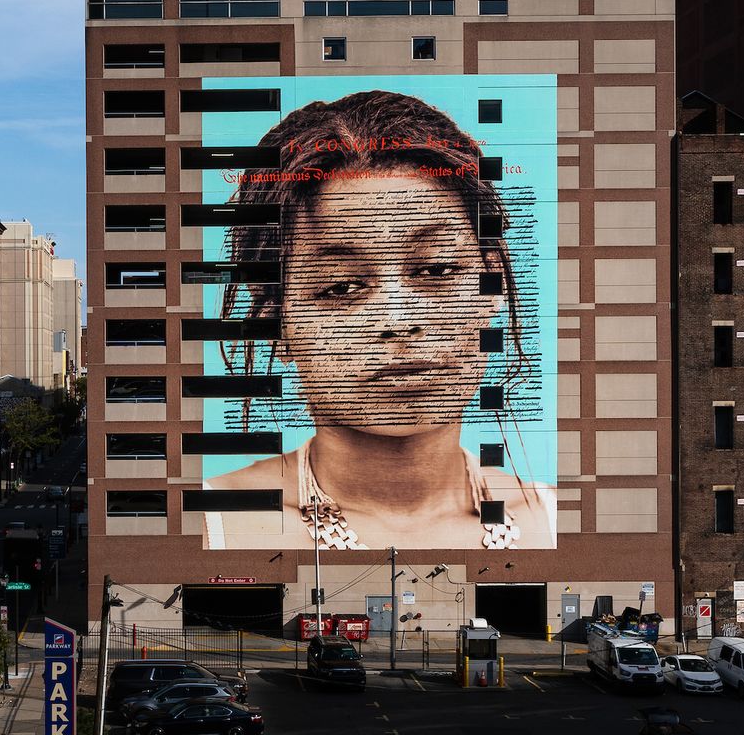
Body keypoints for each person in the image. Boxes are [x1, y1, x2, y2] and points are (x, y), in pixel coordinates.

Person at [201, 89, 556, 551]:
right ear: (275, 320)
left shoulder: (553, 518)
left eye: (437, 269)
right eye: (341, 287)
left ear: (492, 286)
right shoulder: (215, 524)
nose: (398, 319)